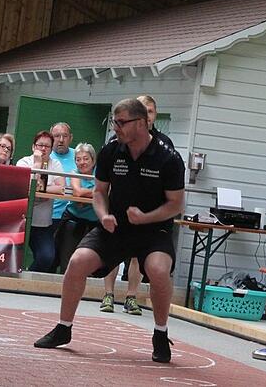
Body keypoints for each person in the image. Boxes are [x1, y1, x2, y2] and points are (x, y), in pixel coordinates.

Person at [34, 98, 185, 365]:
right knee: (77, 262)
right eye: (115, 122)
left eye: (122, 122)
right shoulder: (111, 151)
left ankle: (160, 334)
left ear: (141, 123)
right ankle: (63, 328)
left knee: (159, 270)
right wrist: (103, 215)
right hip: (115, 225)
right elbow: (99, 192)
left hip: (154, 229)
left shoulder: (168, 157)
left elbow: (176, 205)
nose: (116, 127)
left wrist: (146, 217)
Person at [102, 96, 173, 314]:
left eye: (150, 111)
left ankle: (131, 296)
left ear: (154, 115)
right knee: (112, 250)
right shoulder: (116, 141)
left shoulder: (164, 144)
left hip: (147, 212)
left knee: (137, 256)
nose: (147, 115)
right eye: (143, 110)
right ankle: (108, 294)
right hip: (119, 206)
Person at [16, 131, 64, 273]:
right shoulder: (24, 162)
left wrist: (41, 189)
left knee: (46, 257)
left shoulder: (55, 164)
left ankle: (28, 277)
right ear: (33, 147)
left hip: (42, 224)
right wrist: (37, 164)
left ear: (51, 149)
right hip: (21, 221)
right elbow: (25, 186)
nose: (43, 149)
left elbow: (61, 188)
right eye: (40, 145)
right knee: (15, 256)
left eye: (47, 146)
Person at [55, 143, 99, 273]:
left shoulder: (100, 173)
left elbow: (106, 191)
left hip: (95, 222)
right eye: (78, 159)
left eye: (86, 159)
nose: (82, 162)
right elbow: (78, 192)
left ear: (93, 160)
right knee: (66, 258)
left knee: (90, 261)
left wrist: (90, 194)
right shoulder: (74, 173)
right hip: (73, 217)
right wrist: (94, 192)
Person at [48, 122, 76, 272]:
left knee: (68, 260)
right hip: (50, 215)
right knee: (50, 258)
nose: (60, 140)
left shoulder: (79, 156)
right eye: (56, 136)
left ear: (70, 138)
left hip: (73, 215)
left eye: (64, 136)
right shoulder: (47, 156)